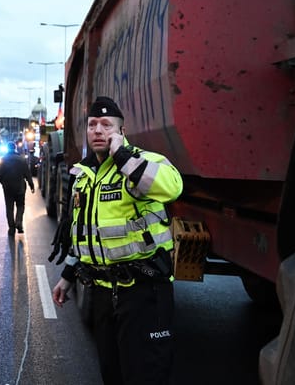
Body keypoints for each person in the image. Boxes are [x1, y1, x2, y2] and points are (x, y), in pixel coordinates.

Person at [49, 96, 182, 385]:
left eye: (106, 125)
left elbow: (172, 187)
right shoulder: (85, 177)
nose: (98, 130)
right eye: (92, 124)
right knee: (112, 374)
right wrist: (68, 275)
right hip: (103, 294)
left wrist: (123, 157)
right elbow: (84, 233)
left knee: (145, 376)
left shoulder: (142, 162)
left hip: (144, 293)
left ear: (121, 131)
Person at [0, 141, 34, 236]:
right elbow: (28, 174)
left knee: (9, 208)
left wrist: (3, 183)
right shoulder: (21, 160)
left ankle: (11, 228)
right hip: (20, 187)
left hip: (8, 187)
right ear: (15, 148)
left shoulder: (3, 159)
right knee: (20, 206)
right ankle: (19, 222)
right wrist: (31, 185)